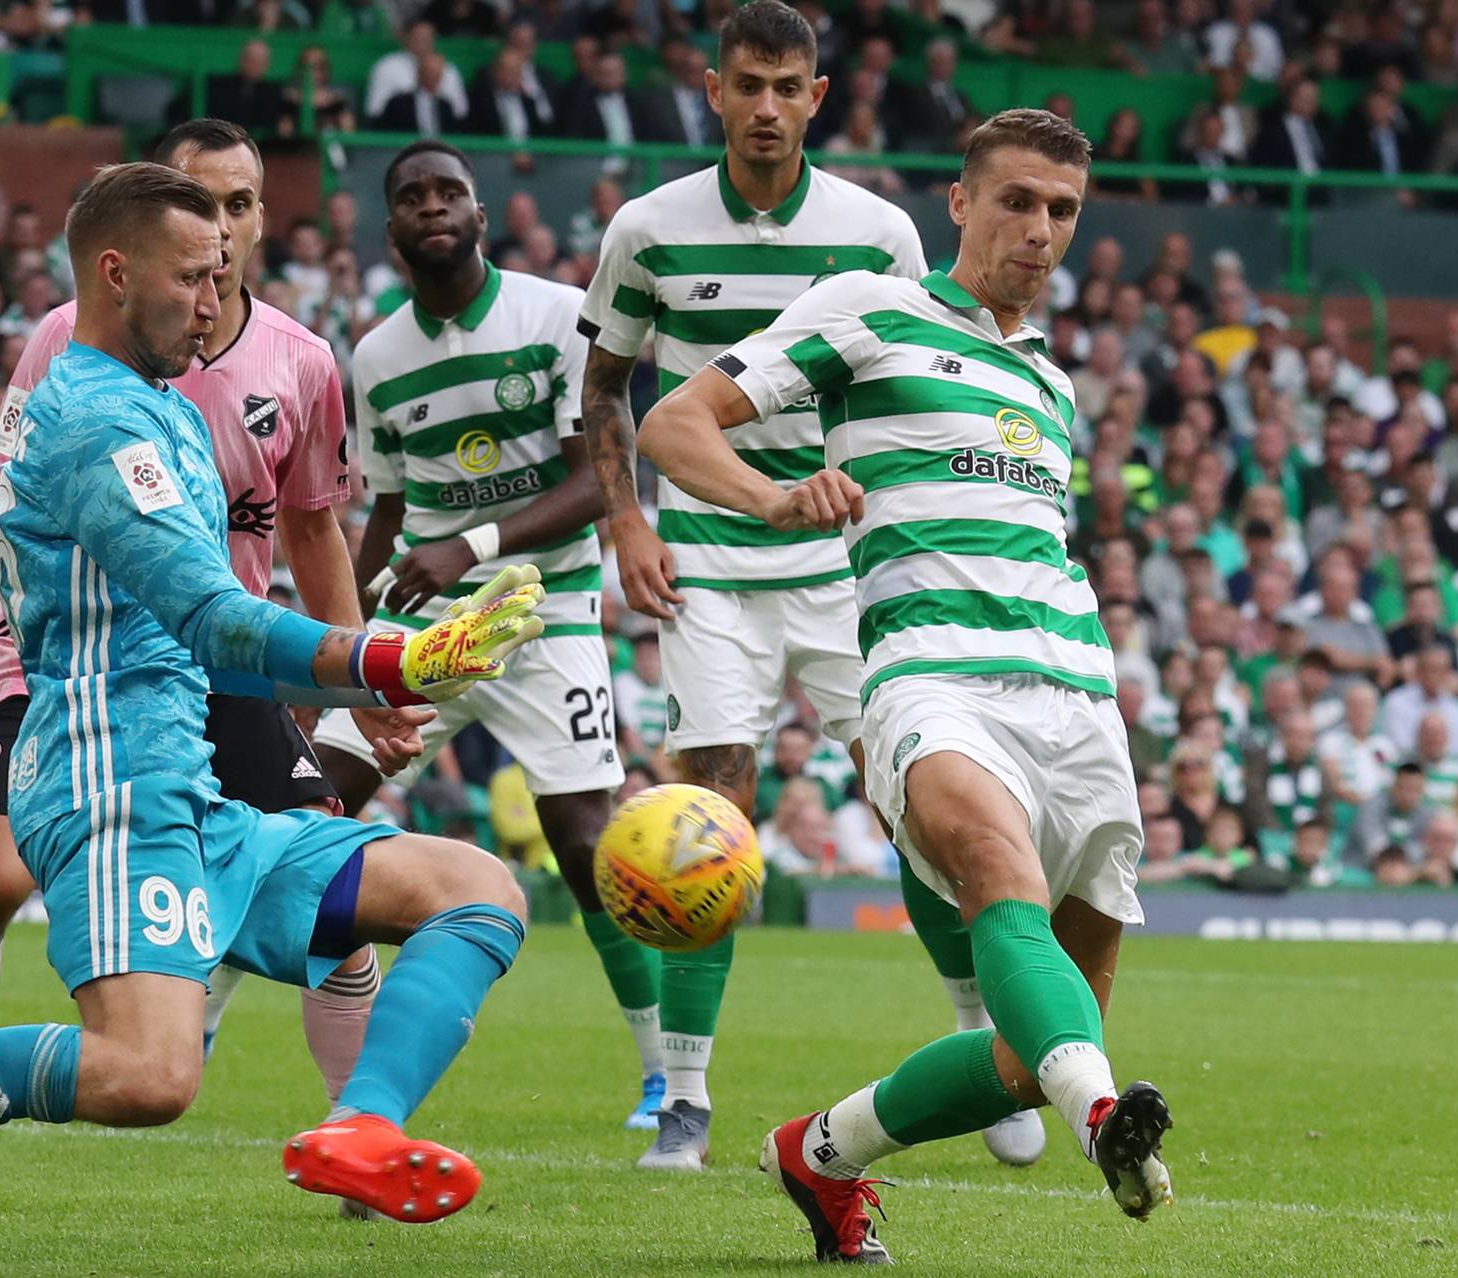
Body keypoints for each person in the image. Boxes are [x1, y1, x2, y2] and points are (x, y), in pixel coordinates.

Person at [0, 159, 548, 1250]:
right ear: (114, 274)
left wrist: (372, 672)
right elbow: (218, 621)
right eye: (192, 282)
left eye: (222, 280)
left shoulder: (157, 407)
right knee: (148, 1075)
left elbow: (223, 643)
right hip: (112, 781)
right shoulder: (98, 426)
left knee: (477, 888)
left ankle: (359, 1125)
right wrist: (396, 660)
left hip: (190, 778)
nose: (215, 306)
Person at [636, 108, 1172, 1261]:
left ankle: (819, 1153)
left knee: (1028, 1060)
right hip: (932, 681)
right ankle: (1104, 1123)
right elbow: (676, 423)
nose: (1038, 229)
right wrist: (776, 499)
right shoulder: (871, 310)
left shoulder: (1050, 386)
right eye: (1017, 201)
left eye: (1062, 210)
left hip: (1078, 702)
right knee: (993, 877)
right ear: (961, 203)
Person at [0, 120, 423, 1216]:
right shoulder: (71, 342)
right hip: (69, 655)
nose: (223, 225)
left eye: (242, 204)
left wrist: (370, 680)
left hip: (227, 655)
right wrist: (70, 570)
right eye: (202, 203)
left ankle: (361, 1139)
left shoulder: (303, 364)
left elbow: (314, 533)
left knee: (341, 914)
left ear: (262, 219)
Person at [578, 0, 1031, 1177]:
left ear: (818, 96)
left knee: (914, 810)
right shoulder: (648, 227)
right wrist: (627, 519)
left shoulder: (879, 232)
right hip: (711, 563)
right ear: (714, 90)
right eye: (748, 85)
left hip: (845, 566)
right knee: (706, 819)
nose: (768, 106)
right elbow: (604, 388)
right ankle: (684, 1099)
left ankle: (990, 1055)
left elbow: (917, 376)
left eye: (789, 86)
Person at [305, 139, 631, 1135]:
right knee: (312, 805)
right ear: (392, 226)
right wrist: (332, 640)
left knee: (585, 843)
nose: (433, 206)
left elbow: (598, 483)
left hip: (548, 609)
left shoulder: (554, 315)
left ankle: (673, 1079)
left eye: (450, 191)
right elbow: (389, 519)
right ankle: (203, 1020)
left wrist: (472, 544)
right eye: (413, 196)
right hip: (424, 626)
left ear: (481, 212)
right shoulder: (376, 355)